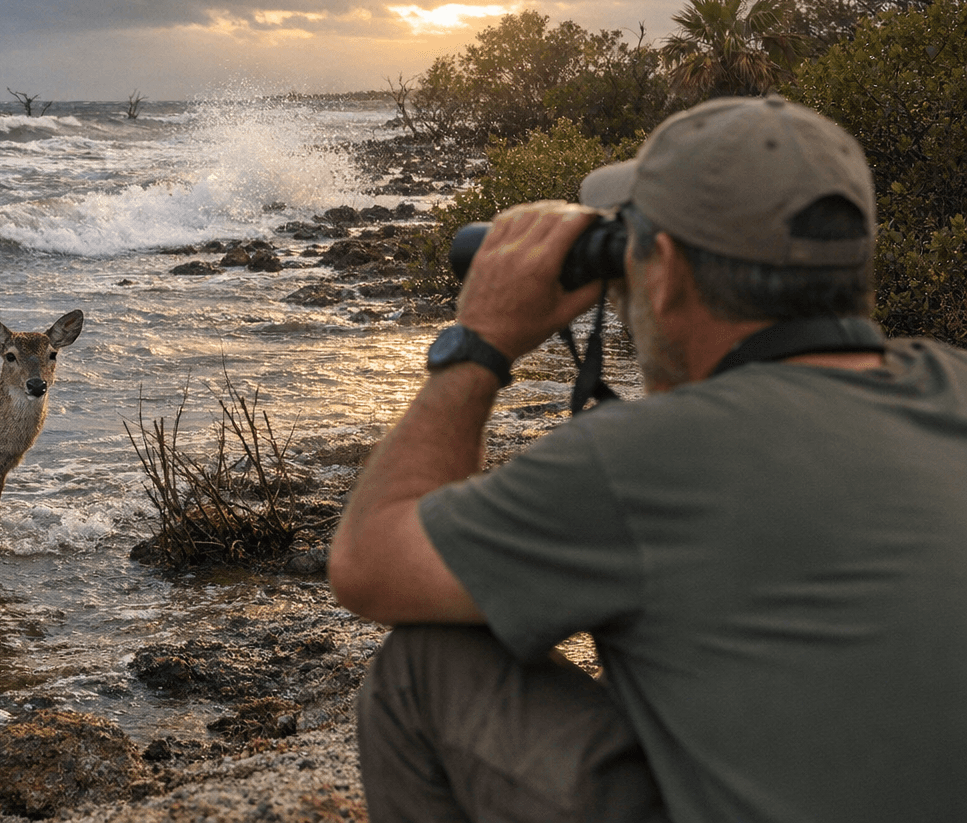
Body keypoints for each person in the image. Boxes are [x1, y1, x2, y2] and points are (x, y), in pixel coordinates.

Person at [328, 95, 967, 823]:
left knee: (425, 667)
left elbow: (370, 561)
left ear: (659, 270)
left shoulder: (648, 458)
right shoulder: (953, 385)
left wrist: (480, 342)